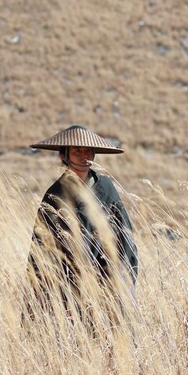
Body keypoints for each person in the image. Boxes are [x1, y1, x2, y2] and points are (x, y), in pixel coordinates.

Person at [24, 125, 138, 325]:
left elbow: (124, 235)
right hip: (69, 284)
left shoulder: (106, 188)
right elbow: (42, 248)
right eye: (77, 151)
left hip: (107, 278)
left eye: (88, 151)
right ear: (64, 155)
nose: (84, 156)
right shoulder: (55, 195)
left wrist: (120, 275)